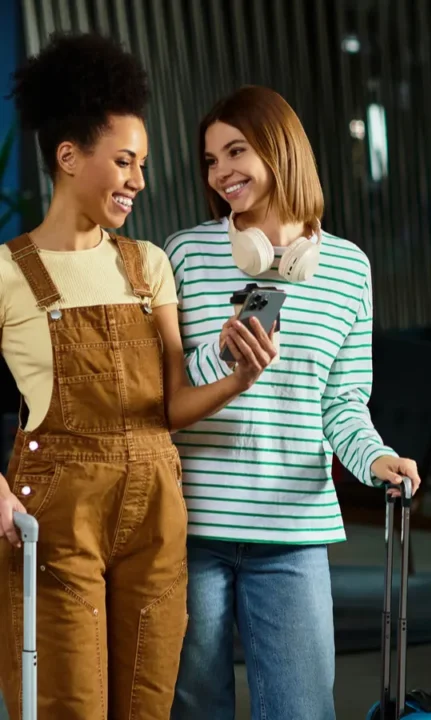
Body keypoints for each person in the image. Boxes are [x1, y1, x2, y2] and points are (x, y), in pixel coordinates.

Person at [0, 33, 274, 719]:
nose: (138, 181)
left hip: (156, 511)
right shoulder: (7, 273)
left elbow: (172, 403)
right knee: (69, 705)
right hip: (58, 519)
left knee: (149, 704)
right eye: (123, 162)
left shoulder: (146, 264)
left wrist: (240, 376)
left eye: (142, 164)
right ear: (68, 158)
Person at [165, 84, 420, 720]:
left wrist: (377, 459)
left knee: (303, 710)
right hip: (192, 528)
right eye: (210, 160)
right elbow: (163, 395)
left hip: (293, 529)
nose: (221, 172)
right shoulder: (186, 256)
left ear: (279, 150)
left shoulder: (348, 270)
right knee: (196, 711)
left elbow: (342, 403)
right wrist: (221, 355)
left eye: (235, 151)